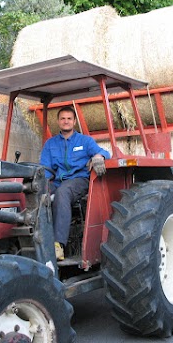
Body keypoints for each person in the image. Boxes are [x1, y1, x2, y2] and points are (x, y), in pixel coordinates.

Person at [40, 106, 110, 260]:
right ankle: (38, 240)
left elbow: (105, 152)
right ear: (58, 122)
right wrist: (42, 186)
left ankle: (58, 245)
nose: (66, 121)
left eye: (69, 118)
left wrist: (99, 156)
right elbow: (45, 169)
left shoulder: (85, 141)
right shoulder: (50, 144)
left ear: (74, 121)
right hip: (58, 181)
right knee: (37, 191)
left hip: (79, 181)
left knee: (63, 192)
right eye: (63, 118)